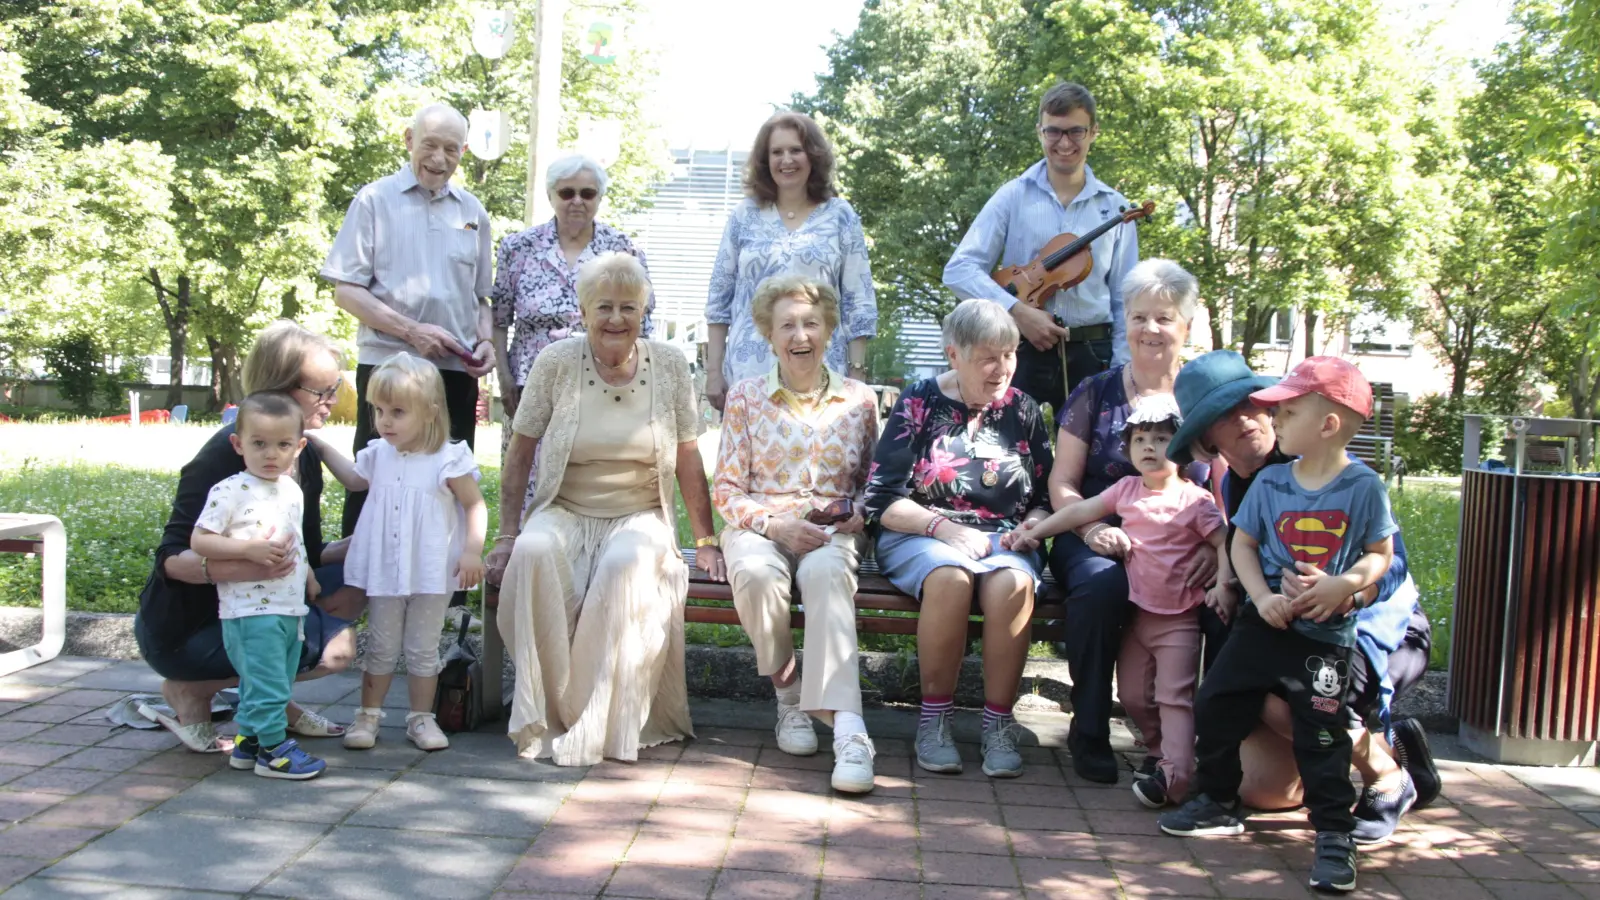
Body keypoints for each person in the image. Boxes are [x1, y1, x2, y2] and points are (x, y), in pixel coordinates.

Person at [1168, 349, 1440, 841]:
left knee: (1295, 702)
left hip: (1370, 629)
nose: (1246, 419)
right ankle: (1389, 741)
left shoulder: (1327, 468)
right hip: (1290, 632)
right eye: (1224, 416)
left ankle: (1386, 772)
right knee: (1265, 792)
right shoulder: (1248, 483)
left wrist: (1347, 594)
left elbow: (1392, 563)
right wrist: (1233, 581)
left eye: (1252, 404)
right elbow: (1246, 541)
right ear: (1206, 440)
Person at [483, 253, 726, 766]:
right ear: (583, 310)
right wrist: (506, 536)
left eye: (629, 307)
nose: (616, 319)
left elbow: (687, 457)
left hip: (640, 513)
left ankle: (598, 714)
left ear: (644, 312)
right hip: (566, 508)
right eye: (605, 307)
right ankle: (550, 710)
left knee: (626, 565)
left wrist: (704, 540)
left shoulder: (670, 365)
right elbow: (520, 451)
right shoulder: (555, 362)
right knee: (532, 551)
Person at [135, 321, 360, 753]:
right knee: (331, 647)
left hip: (259, 604)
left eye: (335, 389)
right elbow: (171, 557)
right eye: (322, 391)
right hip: (191, 626)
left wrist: (364, 548)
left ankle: (273, 700)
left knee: (357, 586)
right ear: (280, 388)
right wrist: (243, 563)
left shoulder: (301, 452)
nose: (331, 402)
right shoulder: (229, 452)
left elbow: (304, 552)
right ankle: (194, 689)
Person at [863, 298, 1054, 779]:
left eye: (1009, 354)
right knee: (950, 578)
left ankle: (997, 724)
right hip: (921, 531)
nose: (1002, 368)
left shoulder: (1024, 409)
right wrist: (944, 528)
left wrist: (1035, 523)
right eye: (988, 357)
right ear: (954, 355)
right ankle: (935, 719)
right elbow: (882, 499)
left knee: (1012, 586)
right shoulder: (919, 401)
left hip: (1003, 540)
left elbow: (1045, 494)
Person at [1044, 259, 1214, 784]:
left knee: (1222, 599)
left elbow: (1226, 486)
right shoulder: (1094, 393)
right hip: (1094, 529)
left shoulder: (1205, 399)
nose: (1150, 330)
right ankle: (1090, 729)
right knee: (1100, 587)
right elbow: (1062, 484)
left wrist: (1217, 549)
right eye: (1139, 317)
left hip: (1187, 538)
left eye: (1164, 318)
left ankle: (1210, 742)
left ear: (1185, 327)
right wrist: (1090, 530)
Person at [1013, 395, 1227, 808]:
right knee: (1131, 696)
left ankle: (1176, 778)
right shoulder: (1127, 489)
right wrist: (1035, 534)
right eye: (1140, 439)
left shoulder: (1195, 500)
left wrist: (1225, 582)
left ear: (1182, 448)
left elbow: (1227, 544)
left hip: (1179, 620)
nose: (1149, 447)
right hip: (1138, 617)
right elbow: (1079, 513)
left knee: (1174, 697)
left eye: (1162, 439)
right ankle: (1158, 752)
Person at [713, 275, 881, 793]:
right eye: (787, 324)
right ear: (769, 335)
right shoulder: (744, 397)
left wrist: (861, 513)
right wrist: (775, 525)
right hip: (760, 524)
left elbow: (876, 483)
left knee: (830, 573)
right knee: (758, 574)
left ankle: (850, 731)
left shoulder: (859, 400)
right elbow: (725, 488)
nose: (800, 334)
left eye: (811, 322)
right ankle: (788, 697)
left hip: (829, 532)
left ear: (829, 330)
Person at [321, 102, 496, 539]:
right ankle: (359, 591)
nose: (439, 159)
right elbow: (346, 290)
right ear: (408, 139)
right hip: (387, 365)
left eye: (451, 150)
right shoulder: (374, 200)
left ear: (465, 151)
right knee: (375, 476)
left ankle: (449, 595)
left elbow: (482, 298)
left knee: (451, 479)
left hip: (454, 372)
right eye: (430, 145)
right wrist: (412, 332)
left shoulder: (473, 212)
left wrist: (486, 341)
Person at [310, 353, 487, 753]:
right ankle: (368, 716)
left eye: (398, 412)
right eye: (379, 410)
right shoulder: (378, 453)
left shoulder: (448, 457)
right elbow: (356, 481)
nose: (385, 421)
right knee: (382, 646)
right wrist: (321, 449)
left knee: (423, 647)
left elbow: (475, 504)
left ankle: (421, 719)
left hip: (431, 570)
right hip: (387, 570)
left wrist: (473, 551)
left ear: (430, 412)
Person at [943, 81, 1140, 414]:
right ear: (1040, 132)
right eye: (1054, 132)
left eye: (1076, 132)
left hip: (1093, 352)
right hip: (1019, 350)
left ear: (1094, 132)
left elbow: (1126, 300)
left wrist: (1123, 372)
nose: (1064, 143)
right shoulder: (1012, 196)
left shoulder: (1115, 210)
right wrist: (1016, 311)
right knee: (1010, 455)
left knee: (1090, 461)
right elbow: (959, 269)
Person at [190, 391, 327, 781]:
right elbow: (200, 540)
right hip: (249, 611)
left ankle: (248, 743)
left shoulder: (291, 491)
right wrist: (247, 550)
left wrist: (309, 575)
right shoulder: (229, 490)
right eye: (259, 444)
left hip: (288, 607)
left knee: (272, 680)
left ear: (298, 447)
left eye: (283, 445)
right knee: (269, 685)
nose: (271, 454)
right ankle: (275, 751)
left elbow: (294, 538)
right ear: (238, 444)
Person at [704, 112, 877, 410]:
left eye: (796, 150)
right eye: (777, 152)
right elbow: (719, 300)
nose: (787, 160)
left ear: (813, 156)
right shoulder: (744, 216)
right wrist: (713, 372)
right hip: (751, 368)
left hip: (821, 369)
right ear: (765, 160)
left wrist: (856, 374)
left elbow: (859, 301)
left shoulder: (840, 216)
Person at [492, 153, 653, 438]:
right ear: (550, 195)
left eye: (587, 193)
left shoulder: (623, 249)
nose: (577, 201)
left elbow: (643, 321)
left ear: (599, 198)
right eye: (567, 193)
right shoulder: (517, 248)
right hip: (529, 385)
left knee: (591, 471)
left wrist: (631, 379)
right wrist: (503, 378)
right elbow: (498, 321)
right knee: (527, 472)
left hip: (601, 382)